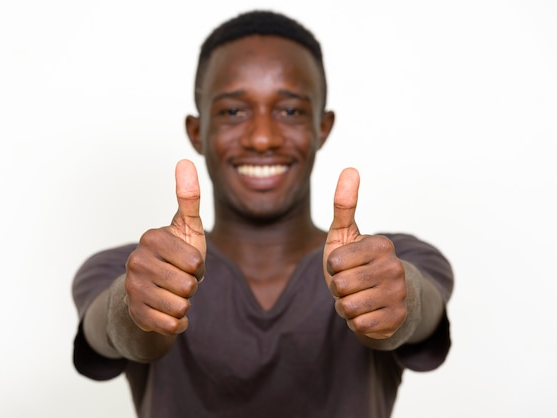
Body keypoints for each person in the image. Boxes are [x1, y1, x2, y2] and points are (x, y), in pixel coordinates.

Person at [72, 10, 454, 418]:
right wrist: (134, 306)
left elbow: (416, 306)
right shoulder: (127, 269)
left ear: (322, 128)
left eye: (289, 111)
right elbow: (116, 330)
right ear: (197, 132)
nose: (262, 138)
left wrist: (399, 298)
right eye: (233, 112)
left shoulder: (394, 263)